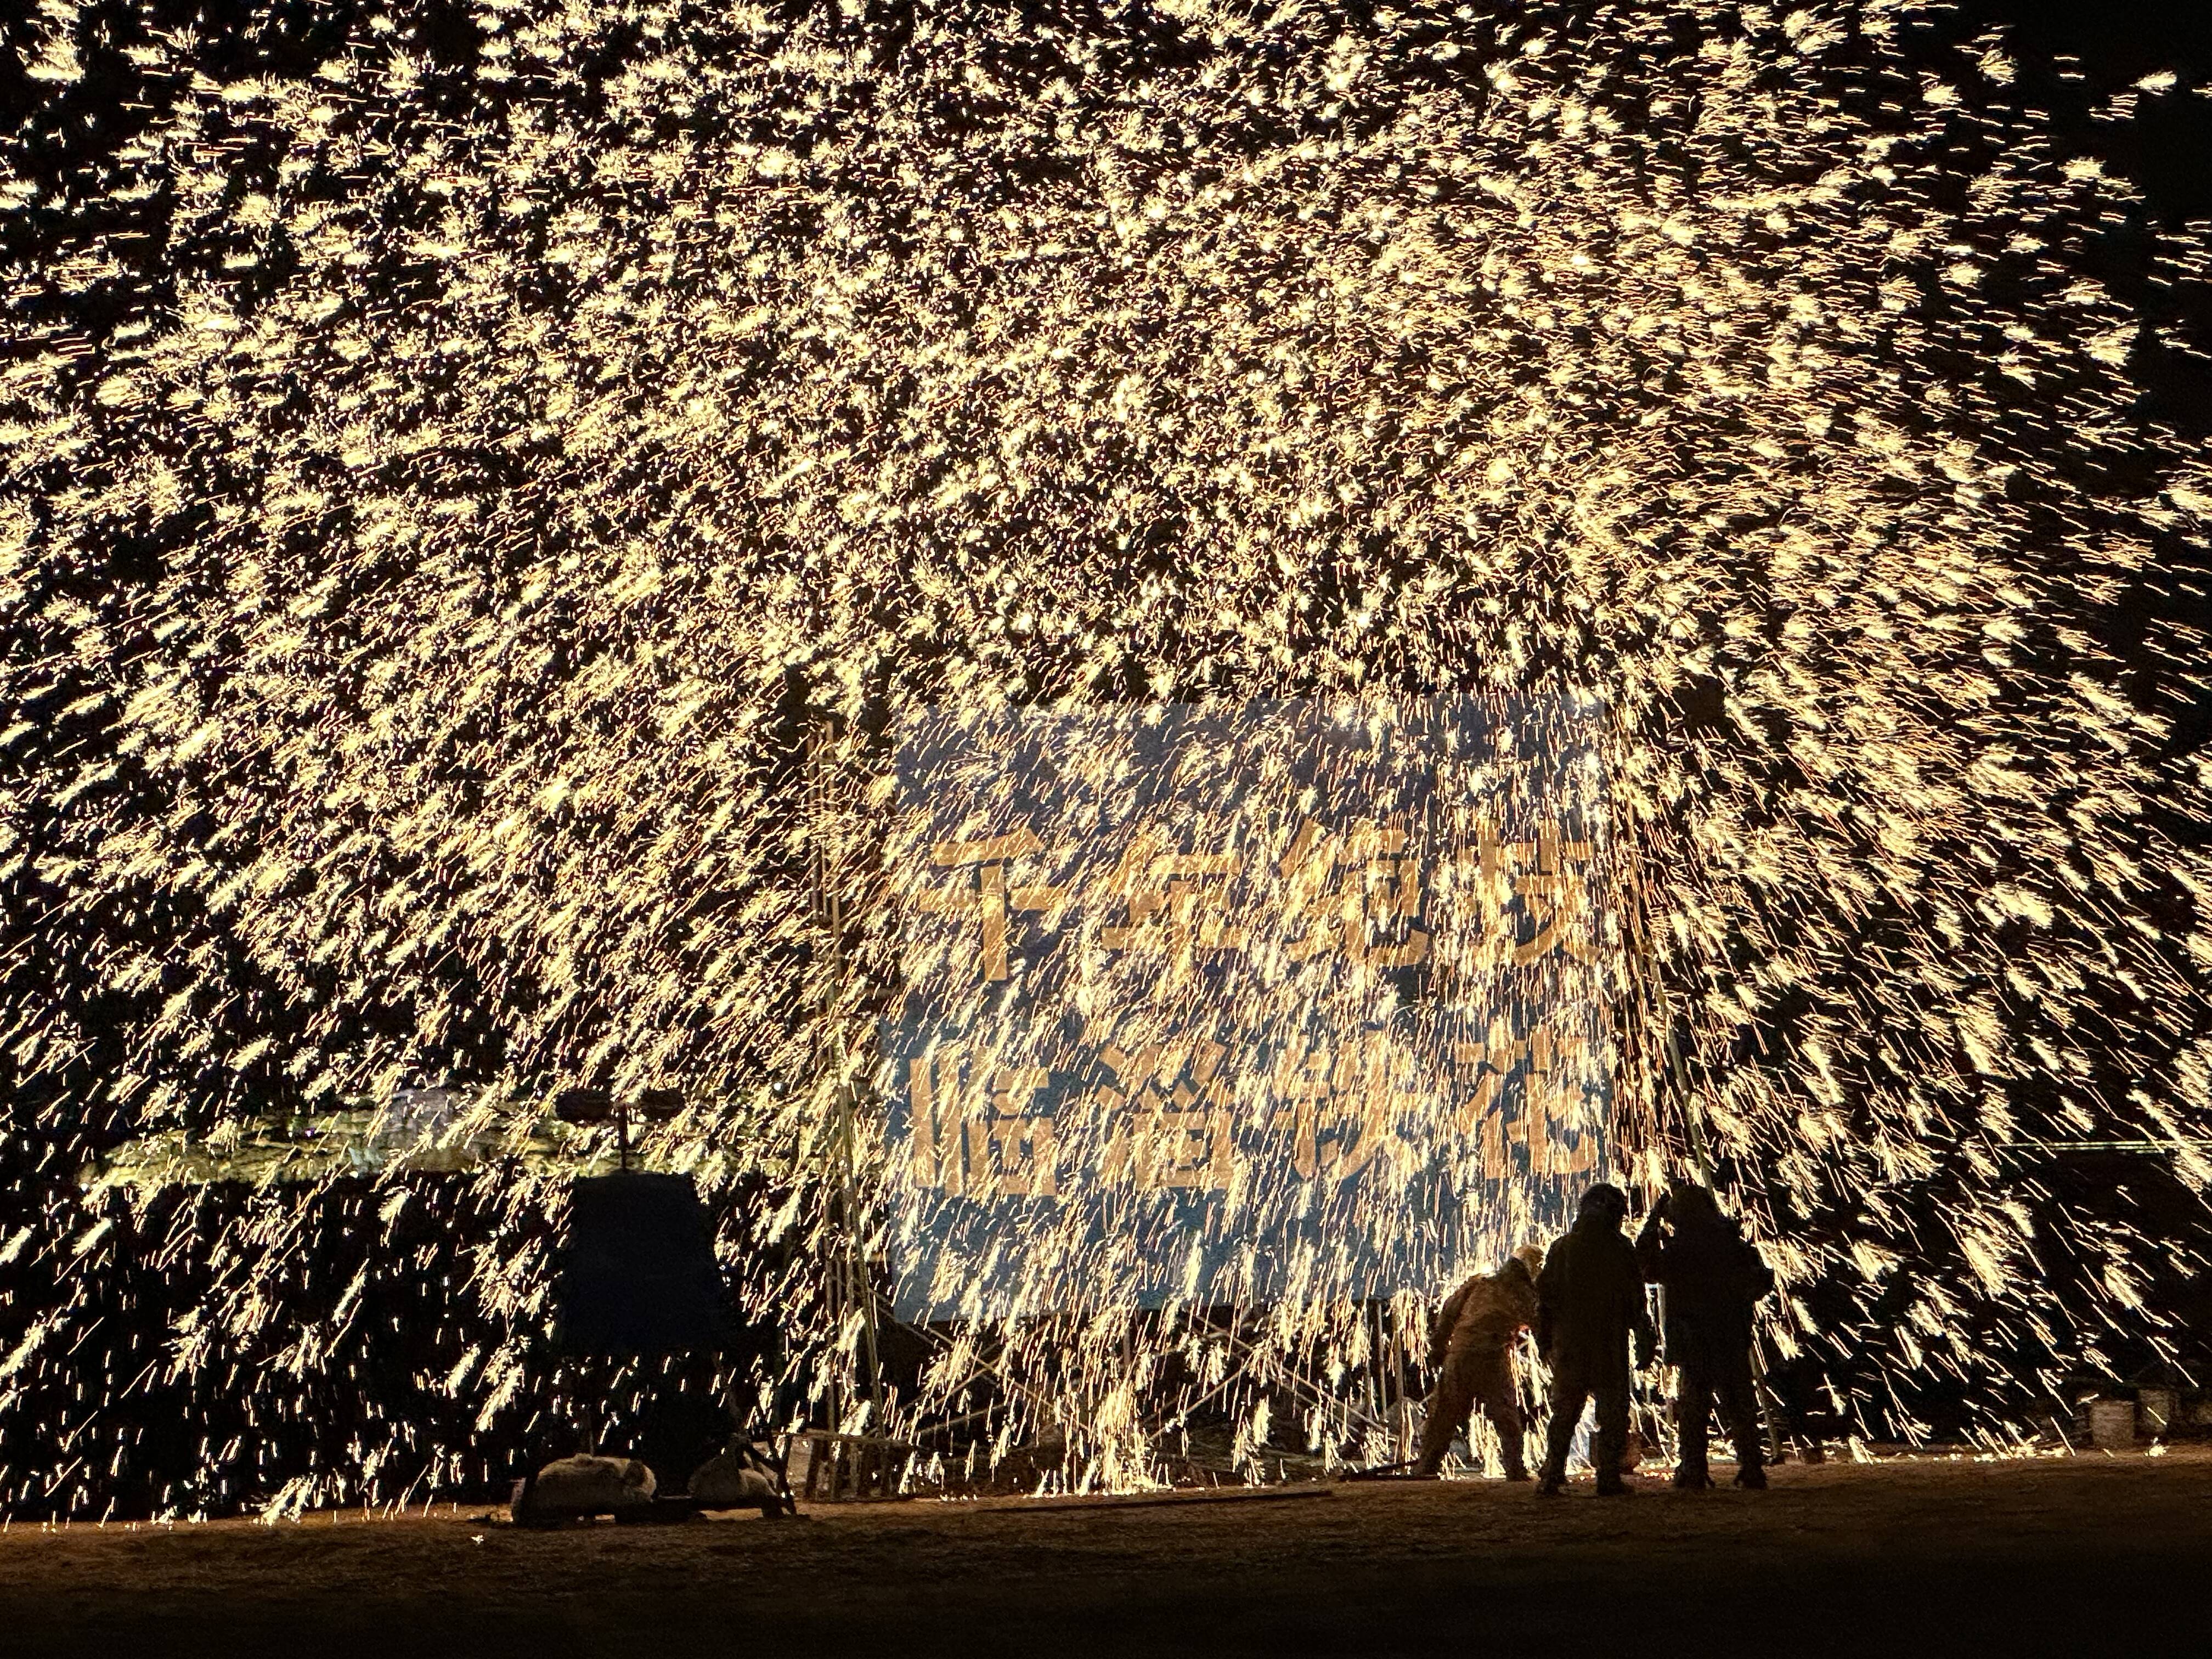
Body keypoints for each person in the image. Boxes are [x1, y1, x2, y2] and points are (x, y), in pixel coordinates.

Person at [1636, 1181, 1776, 1489]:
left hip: (1693, 1338)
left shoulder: (1679, 1251)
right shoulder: (1733, 1245)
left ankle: (1694, 1469)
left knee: (1694, 1407)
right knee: (1739, 1403)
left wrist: (1651, 1222)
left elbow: (1643, 1267)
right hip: (1730, 1335)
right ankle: (1752, 1468)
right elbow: (1760, 1285)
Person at [1534, 1183, 1656, 1497]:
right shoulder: (1620, 1249)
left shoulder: (1562, 1248)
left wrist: (1545, 1341)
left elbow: (1544, 1300)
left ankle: (1552, 1476)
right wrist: (1645, 1338)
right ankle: (1608, 1478)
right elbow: (1636, 1302)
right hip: (1607, 1344)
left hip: (1571, 1345)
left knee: (1564, 1412)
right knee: (1612, 1414)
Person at [1413, 1244, 1545, 1480]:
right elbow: (1539, 1324)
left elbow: (1449, 1311)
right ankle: (1515, 1470)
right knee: (1506, 1417)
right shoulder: (1523, 1294)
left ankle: (1426, 1468)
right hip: (1491, 1359)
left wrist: (1438, 1346)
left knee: (1443, 1416)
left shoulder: (1480, 1281)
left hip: (1459, 1356)